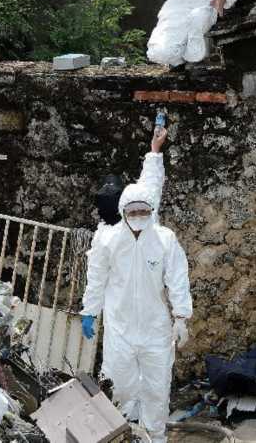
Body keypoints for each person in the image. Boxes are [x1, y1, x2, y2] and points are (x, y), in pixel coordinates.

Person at [80, 134, 192, 443]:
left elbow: (178, 278)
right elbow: (97, 278)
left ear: (152, 211)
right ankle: (124, 437)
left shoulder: (165, 239)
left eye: (144, 212)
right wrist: (90, 311)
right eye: (133, 212)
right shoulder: (108, 240)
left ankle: (155, 438)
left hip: (156, 330)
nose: (139, 217)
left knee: (157, 389)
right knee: (121, 386)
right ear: (122, 211)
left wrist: (182, 317)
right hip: (121, 329)